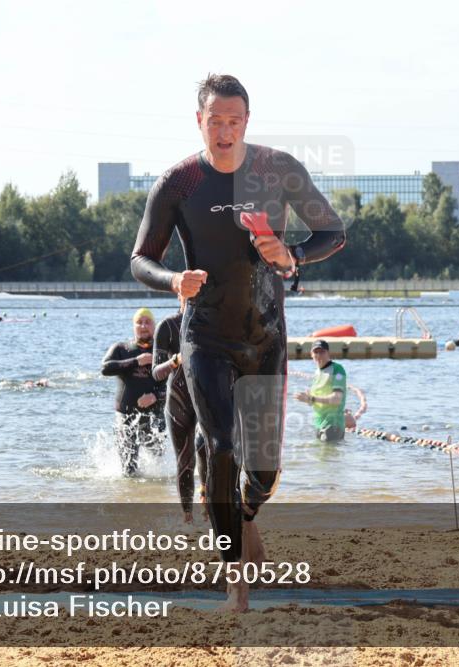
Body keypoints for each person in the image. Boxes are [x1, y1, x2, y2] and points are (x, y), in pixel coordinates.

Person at [130, 73, 345, 611]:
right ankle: (235, 580)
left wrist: (292, 254)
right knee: (223, 445)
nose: (224, 132)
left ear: (247, 121)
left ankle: (244, 516)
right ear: (198, 121)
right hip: (204, 335)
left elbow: (333, 232)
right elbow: (140, 259)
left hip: (265, 335)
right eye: (215, 121)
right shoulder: (179, 182)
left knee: (265, 473)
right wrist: (173, 281)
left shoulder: (277, 169)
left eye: (234, 121)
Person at [152, 297, 209, 523]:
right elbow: (156, 373)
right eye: (188, 294)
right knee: (185, 460)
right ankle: (187, 516)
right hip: (178, 399)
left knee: (207, 449)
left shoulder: (211, 323)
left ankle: (207, 500)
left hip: (206, 398)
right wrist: (175, 360)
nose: (194, 298)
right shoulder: (167, 326)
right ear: (180, 295)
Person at [101, 308, 166, 476]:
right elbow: (105, 368)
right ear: (133, 326)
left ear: (154, 326)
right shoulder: (122, 348)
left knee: (157, 469)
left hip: (155, 416)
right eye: (139, 322)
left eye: (147, 322)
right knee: (128, 470)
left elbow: (175, 384)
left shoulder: (162, 352)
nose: (143, 326)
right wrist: (136, 361)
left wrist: (155, 396)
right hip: (126, 416)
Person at [294, 340, 348, 442]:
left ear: (328, 353)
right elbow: (315, 402)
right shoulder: (317, 373)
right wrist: (307, 399)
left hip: (332, 424)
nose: (319, 355)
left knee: (327, 452)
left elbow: (336, 399)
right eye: (316, 352)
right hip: (319, 423)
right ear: (311, 355)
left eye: (322, 352)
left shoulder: (337, 369)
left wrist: (311, 398)